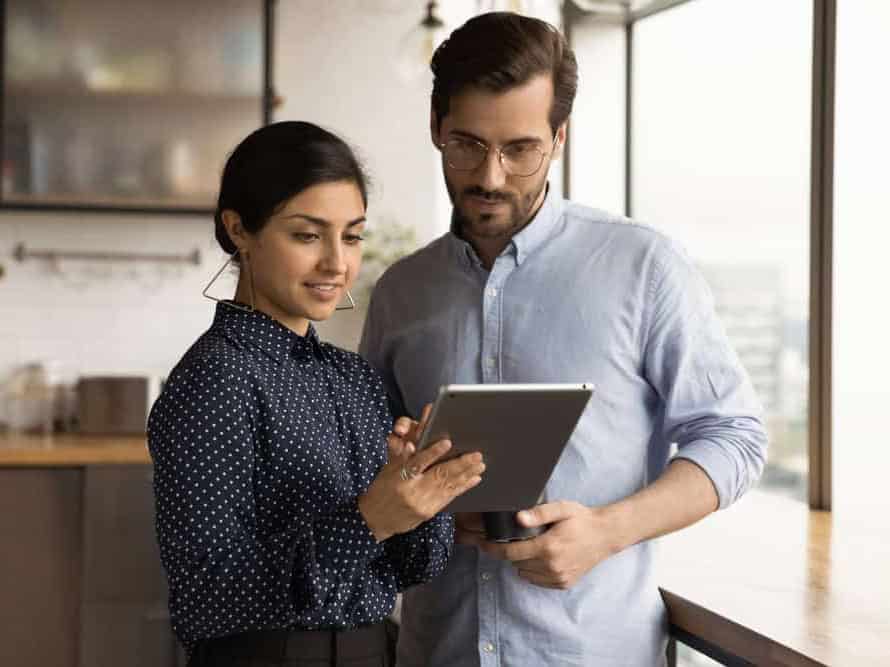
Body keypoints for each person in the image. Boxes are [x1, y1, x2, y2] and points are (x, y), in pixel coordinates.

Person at [359, 12, 768, 667]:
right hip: (438, 651)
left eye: (520, 148)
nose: (491, 176)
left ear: (559, 138)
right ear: (436, 127)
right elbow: (366, 469)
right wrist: (414, 495)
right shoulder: (401, 292)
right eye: (467, 143)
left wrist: (606, 531)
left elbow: (736, 436)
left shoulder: (644, 265)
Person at [147, 121, 485, 667]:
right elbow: (209, 597)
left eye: (351, 236)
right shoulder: (215, 379)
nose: (337, 262)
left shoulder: (353, 379)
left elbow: (411, 568)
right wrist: (370, 519)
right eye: (307, 235)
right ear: (239, 229)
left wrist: (418, 500)